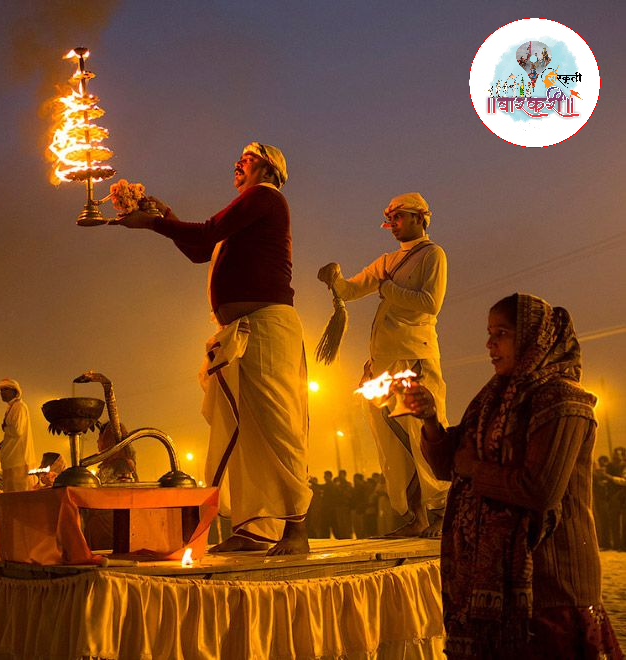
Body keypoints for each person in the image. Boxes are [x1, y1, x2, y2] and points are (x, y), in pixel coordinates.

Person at [115, 142, 311, 555]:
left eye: (248, 159)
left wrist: (153, 224)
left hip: (266, 329)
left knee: (276, 428)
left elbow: (206, 232)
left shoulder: (265, 198)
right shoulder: (250, 209)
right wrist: (165, 218)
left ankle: (296, 530)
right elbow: (201, 249)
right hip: (240, 334)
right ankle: (254, 529)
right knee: (241, 433)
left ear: (270, 168)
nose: (237, 164)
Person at [404, 293, 621, 657]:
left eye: (500, 333)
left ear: (531, 338)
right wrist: (429, 418)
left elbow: (540, 490)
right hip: (496, 587)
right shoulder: (492, 400)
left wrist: (477, 470)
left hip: (553, 583)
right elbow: (448, 466)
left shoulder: (564, 403)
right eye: (489, 334)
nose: (489, 345)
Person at [317, 192, 450, 537]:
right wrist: (335, 279)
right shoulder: (387, 261)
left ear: (421, 218)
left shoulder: (432, 255)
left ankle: (442, 511)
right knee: (390, 440)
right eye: (390, 219)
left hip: (413, 358)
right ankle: (413, 515)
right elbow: (349, 291)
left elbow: (429, 304)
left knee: (422, 433)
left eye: (400, 218)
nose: (393, 225)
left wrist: (387, 288)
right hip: (382, 363)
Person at [0, 378, 36, 493]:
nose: (2, 393)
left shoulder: (19, 407)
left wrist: (5, 427)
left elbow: (17, 431)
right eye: (1, 390)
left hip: (19, 462)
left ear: (15, 391)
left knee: (20, 496)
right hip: (11, 461)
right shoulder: (11, 407)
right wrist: (4, 442)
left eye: (5, 389)